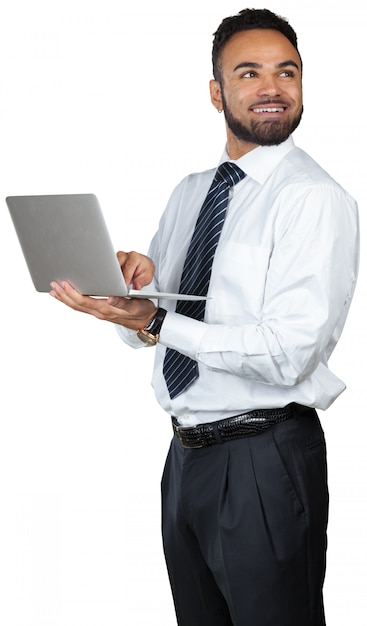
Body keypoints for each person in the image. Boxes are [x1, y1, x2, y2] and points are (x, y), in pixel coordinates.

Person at [50, 8, 359, 626]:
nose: (271, 88)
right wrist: (132, 296)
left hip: (265, 457)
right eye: (249, 73)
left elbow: (287, 352)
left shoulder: (313, 198)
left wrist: (157, 321)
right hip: (186, 458)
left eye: (287, 72)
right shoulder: (193, 190)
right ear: (216, 92)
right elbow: (146, 333)